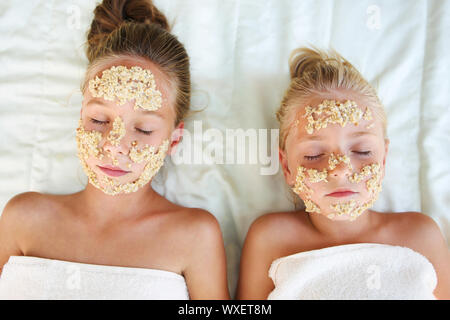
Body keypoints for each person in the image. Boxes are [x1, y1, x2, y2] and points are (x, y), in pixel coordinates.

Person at [0, 0, 229, 300]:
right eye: (98, 120)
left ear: (174, 140)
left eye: (144, 129)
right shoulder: (23, 218)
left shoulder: (196, 236)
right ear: (80, 117)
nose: (114, 146)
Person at [236, 47, 449, 300]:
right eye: (314, 155)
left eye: (362, 151)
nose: (340, 169)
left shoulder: (420, 235)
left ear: (384, 159)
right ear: (286, 167)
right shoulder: (269, 238)